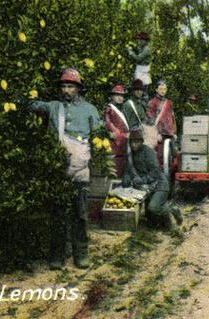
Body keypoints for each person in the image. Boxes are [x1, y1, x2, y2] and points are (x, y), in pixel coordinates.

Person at [28, 67, 101, 269]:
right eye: (64, 86)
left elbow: (99, 136)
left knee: (80, 213)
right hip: (58, 170)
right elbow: (31, 105)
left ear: (78, 89)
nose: (66, 90)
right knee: (58, 214)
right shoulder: (53, 107)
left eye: (70, 86)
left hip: (80, 169)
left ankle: (81, 254)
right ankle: (57, 257)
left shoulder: (89, 110)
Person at [123, 129, 183, 226]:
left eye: (137, 142)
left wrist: (142, 180)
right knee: (150, 218)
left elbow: (155, 172)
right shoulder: (131, 155)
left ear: (141, 142)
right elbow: (128, 169)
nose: (134, 145)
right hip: (148, 187)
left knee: (153, 208)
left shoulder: (148, 152)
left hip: (160, 185)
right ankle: (163, 221)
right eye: (132, 142)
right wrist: (126, 177)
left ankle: (173, 210)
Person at [146, 80, 177, 165]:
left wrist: (174, 131)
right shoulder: (152, 102)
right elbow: (150, 119)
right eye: (160, 89)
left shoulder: (169, 102)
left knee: (172, 155)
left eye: (164, 89)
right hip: (159, 134)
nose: (163, 91)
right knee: (159, 156)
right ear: (156, 90)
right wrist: (156, 133)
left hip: (169, 133)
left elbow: (172, 117)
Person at [103, 84, 129, 177]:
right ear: (112, 96)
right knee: (115, 173)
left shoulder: (121, 110)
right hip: (115, 146)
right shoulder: (109, 109)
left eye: (122, 95)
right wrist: (124, 136)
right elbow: (109, 126)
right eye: (117, 95)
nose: (120, 98)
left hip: (123, 147)